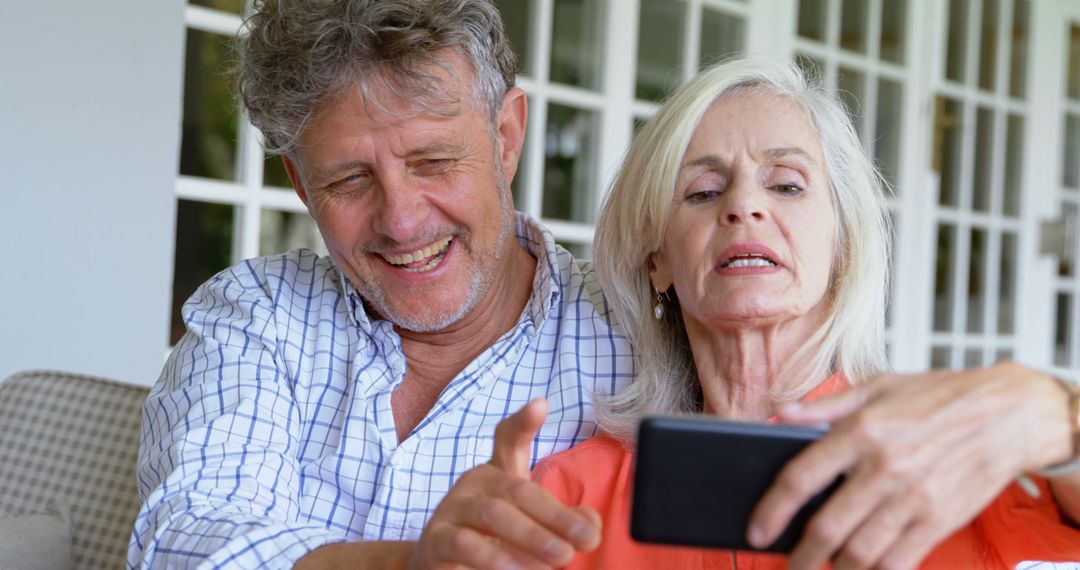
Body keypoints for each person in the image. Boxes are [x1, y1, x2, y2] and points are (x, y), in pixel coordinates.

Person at [127, 1, 631, 568]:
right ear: (301, 184)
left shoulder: (639, 335)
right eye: (350, 179)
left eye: (433, 161)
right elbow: (183, 542)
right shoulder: (255, 314)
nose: (401, 221)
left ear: (507, 137)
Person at [530, 57, 1080, 569]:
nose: (744, 206)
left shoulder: (939, 457)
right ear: (658, 261)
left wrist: (1059, 420)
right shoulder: (570, 499)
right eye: (702, 192)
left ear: (842, 245)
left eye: (788, 185)